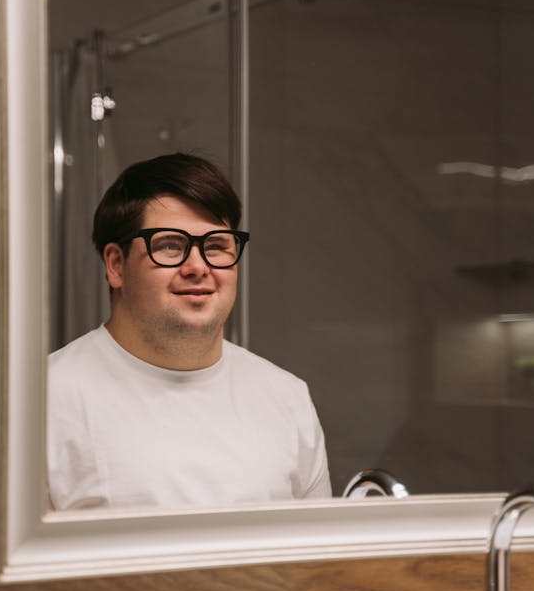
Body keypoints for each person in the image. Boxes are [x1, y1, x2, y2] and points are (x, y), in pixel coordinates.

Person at [47, 152, 332, 510]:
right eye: (170, 245)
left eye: (216, 246)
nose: (198, 267)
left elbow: (312, 559)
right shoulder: (42, 401)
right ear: (116, 265)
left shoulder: (288, 398)